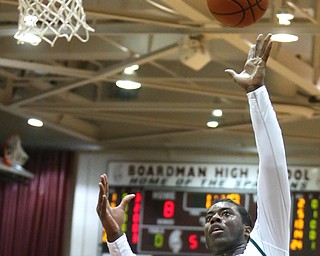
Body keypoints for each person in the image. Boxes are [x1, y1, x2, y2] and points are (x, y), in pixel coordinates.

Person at [96, 33, 291, 256]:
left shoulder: (267, 244)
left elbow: (272, 164)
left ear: (247, 231)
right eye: (209, 218)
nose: (215, 218)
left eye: (226, 214)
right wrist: (113, 232)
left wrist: (256, 92)